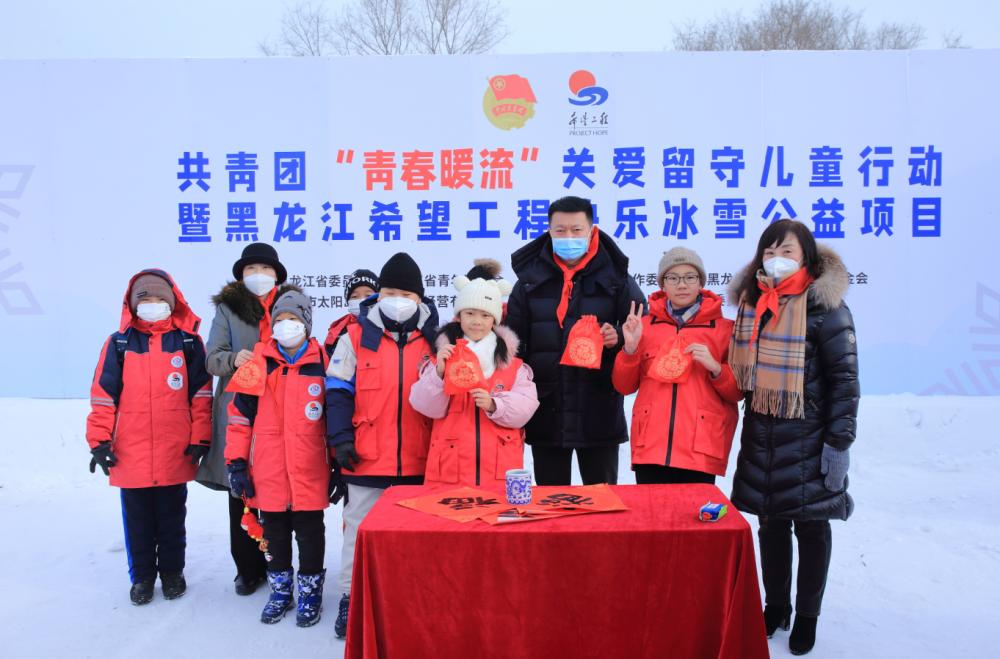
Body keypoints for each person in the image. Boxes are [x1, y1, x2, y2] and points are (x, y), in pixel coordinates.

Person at [728, 220, 859, 656]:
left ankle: (807, 615)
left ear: (807, 258)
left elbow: (845, 382)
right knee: (770, 525)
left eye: (786, 251)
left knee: (811, 526)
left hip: (811, 437)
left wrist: (839, 444)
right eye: (769, 251)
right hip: (763, 434)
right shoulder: (754, 305)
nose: (776, 259)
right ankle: (776, 605)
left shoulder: (827, 309)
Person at [324, 252, 439, 638]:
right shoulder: (355, 336)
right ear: (378, 295)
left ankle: (410, 598)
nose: (397, 300)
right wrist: (340, 439)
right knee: (358, 534)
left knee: (416, 536)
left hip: (420, 459)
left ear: (419, 298)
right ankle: (350, 598)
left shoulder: (436, 340)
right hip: (366, 456)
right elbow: (337, 391)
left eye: (406, 294)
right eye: (390, 292)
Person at [85, 269, 212, 605]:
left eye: (159, 299)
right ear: (132, 305)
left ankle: (172, 573)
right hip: (131, 449)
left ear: (171, 303)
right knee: (138, 521)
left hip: (174, 448)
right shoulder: (119, 343)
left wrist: (199, 438)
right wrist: (99, 441)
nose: (152, 304)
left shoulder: (187, 343)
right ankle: (141, 578)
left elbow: (201, 396)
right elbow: (103, 396)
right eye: (145, 299)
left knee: (172, 518)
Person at [506, 195, 645, 486]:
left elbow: (642, 325)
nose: (568, 237)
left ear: (591, 230)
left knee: (602, 501)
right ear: (549, 231)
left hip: (599, 406)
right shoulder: (529, 281)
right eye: (560, 230)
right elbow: (513, 343)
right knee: (551, 501)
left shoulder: (616, 278)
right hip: (546, 408)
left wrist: (618, 336)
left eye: (576, 230)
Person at [225, 290, 334, 627]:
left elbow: (335, 417)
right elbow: (239, 419)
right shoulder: (258, 364)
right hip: (269, 470)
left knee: (311, 533)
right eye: (281, 320)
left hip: (309, 469)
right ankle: (281, 590)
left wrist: (338, 466)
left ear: (307, 324)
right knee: (274, 535)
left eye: (294, 319)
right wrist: (236, 463)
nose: (287, 326)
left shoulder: (324, 362)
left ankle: (311, 592)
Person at [199, 242, 292, 597]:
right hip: (238, 406)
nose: (259, 275)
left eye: (266, 269)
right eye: (252, 269)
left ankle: (278, 562)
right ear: (241, 275)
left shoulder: (289, 305)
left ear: (277, 275)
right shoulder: (228, 309)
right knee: (240, 488)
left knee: (277, 487)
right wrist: (233, 359)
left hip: (279, 407)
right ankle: (247, 569)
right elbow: (212, 358)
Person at [612, 247, 741, 484]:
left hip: (700, 448)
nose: (682, 285)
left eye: (690, 277)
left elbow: (737, 392)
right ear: (663, 284)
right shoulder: (643, 326)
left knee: (695, 508)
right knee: (651, 508)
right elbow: (624, 386)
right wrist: (629, 349)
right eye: (673, 278)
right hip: (651, 446)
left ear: (701, 282)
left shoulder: (725, 330)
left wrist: (716, 368)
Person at [409, 270, 539, 488]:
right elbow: (423, 405)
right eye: (470, 313)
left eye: (485, 315)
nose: (477, 321)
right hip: (449, 472)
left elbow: (526, 407)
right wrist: (439, 373)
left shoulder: (513, 365)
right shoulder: (441, 359)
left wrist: (494, 404)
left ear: (495, 319)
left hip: (499, 473)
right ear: (459, 316)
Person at [324, 268, 379, 350]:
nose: (361, 300)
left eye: (368, 295)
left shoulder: (388, 326)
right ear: (348, 301)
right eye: (354, 296)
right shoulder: (337, 331)